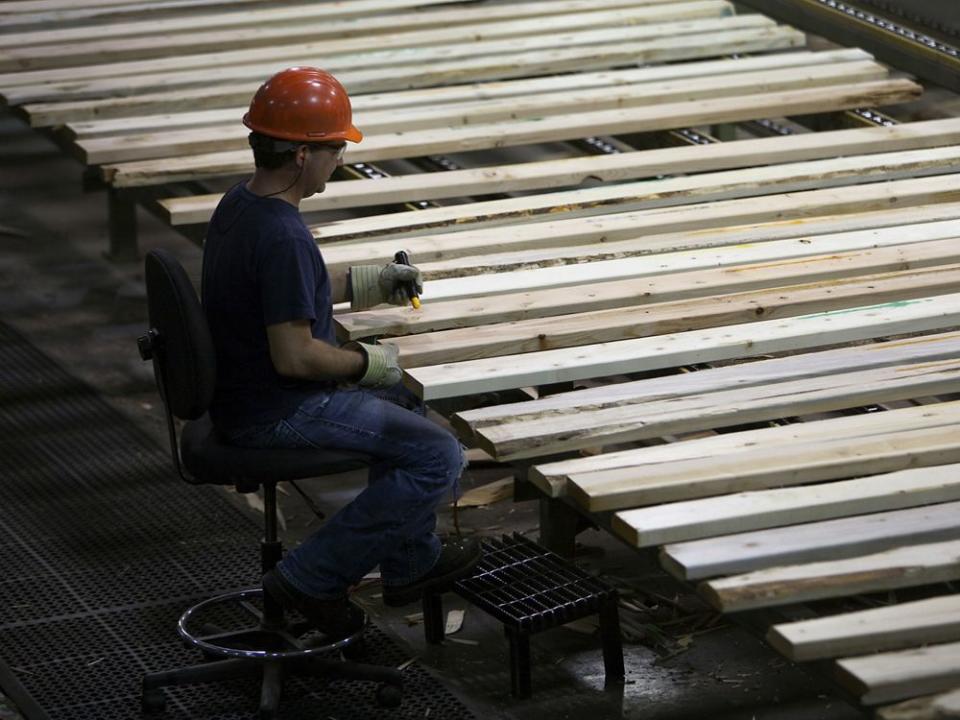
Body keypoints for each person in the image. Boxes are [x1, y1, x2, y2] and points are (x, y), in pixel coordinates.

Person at [200, 67, 480, 637]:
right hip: (275, 411)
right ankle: (311, 576)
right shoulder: (284, 235)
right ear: (302, 154)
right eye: (333, 149)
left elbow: (282, 290)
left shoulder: (243, 205)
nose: (340, 161)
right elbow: (297, 357)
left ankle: (411, 564)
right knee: (438, 456)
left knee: (401, 399)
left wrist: (368, 282)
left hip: (242, 392)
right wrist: (367, 361)